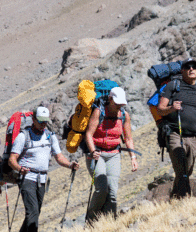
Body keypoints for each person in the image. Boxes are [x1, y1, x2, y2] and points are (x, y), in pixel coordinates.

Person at [8, 106, 79, 232]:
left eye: (45, 121)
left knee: (35, 212)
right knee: (33, 212)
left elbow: (58, 156)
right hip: (27, 177)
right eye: (40, 121)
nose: (43, 124)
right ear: (33, 119)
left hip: (42, 179)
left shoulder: (50, 136)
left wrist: (69, 165)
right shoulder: (23, 136)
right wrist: (20, 169)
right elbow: (12, 159)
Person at [157, 57, 196, 198]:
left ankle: (174, 197)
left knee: (187, 171)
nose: (191, 69)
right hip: (175, 133)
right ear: (182, 70)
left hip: (194, 136)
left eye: (194, 66)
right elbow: (160, 109)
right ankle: (186, 200)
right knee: (181, 169)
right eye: (187, 67)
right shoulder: (173, 86)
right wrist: (171, 108)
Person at [84, 87, 138, 223]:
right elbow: (89, 134)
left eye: (121, 104)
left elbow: (128, 138)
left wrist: (133, 157)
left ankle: (109, 222)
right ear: (110, 99)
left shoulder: (124, 115)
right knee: (101, 189)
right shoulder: (99, 112)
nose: (119, 106)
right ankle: (91, 222)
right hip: (97, 154)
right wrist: (92, 151)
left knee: (112, 191)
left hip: (114, 154)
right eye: (117, 103)